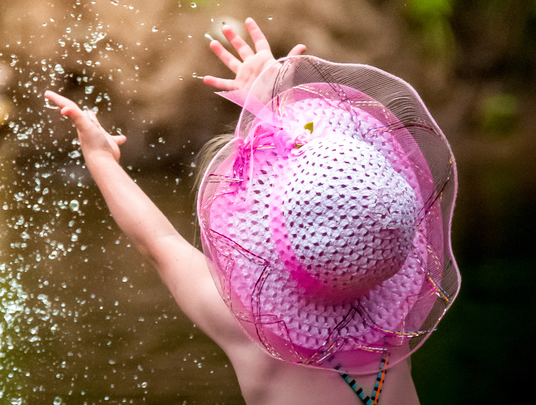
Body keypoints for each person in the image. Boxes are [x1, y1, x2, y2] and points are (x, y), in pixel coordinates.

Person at [45, 17, 459, 405]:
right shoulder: (394, 325)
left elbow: (157, 241)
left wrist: (99, 159)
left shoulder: (244, 329)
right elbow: (356, 202)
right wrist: (271, 101)